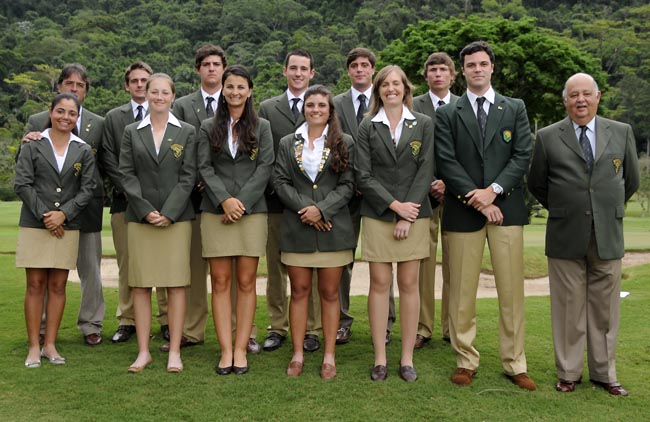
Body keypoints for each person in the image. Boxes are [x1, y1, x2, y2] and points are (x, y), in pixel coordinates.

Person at [528, 73, 639, 396]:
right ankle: (569, 373)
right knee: (567, 308)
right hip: (565, 232)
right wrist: (567, 207)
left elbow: (629, 180)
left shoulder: (621, 132)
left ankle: (605, 374)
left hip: (608, 233)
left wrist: (604, 207)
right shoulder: (548, 137)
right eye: (573, 95)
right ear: (565, 101)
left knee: (605, 309)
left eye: (586, 94)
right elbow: (537, 184)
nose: (580, 100)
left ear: (598, 97)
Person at [434, 41, 536, 390]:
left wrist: (493, 191)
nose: (477, 69)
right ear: (462, 70)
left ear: (492, 67)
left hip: (506, 209)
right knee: (462, 292)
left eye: (483, 63)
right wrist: (477, 199)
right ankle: (465, 359)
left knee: (511, 292)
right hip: (463, 212)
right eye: (471, 65)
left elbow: (522, 155)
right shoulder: (448, 113)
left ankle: (515, 362)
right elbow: (446, 161)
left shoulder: (515, 107)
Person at [355, 65, 434, 382]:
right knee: (379, 285)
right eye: (385, 84)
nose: (391, 89)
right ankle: (380, 359)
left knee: (410, 285)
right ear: (378, 90)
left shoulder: (424, 123)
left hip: (415, 214)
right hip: (377, 213)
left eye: (396, 84)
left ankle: (406, 359)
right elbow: (363, 174)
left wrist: (406, 212)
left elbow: (426, 169)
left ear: (406, 88)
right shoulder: (366, 126)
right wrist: (393, 206)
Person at [274, 85, 356, 379]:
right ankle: (297, 354)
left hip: (333, 228)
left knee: (330, 293)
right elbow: (281, 181)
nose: (316, 110)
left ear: (330, 110)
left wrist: (322, 210)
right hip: (298, 227)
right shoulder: (287, 142)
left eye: (322, 105)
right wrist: (308, 210)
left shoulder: (344, 141)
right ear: (303, 108)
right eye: (311, 105)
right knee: (298, 292)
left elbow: (348, 184)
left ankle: (329, 356)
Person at [197, 65, 273, 375]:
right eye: (230, 86)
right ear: (222, 90)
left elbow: (265, 167)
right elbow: (204, 167)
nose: (235, 92)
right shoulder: (207, 126)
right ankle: (225, 349)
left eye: (241, 87)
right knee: (220, 282)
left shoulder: (262, 126)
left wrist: (240, 203)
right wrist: (224, 200)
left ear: (250, 90)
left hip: (251, 212)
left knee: (245, 282)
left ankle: (241, 349)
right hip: (216, 211)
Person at [23, 64, 105, 346]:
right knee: (46, 272)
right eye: (69, 83)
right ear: (58, 87)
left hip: (87, 208)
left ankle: (91, 324)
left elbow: (103, 169)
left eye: (80, 85)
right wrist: (48, 213)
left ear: (85, 92)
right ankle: (43, 328)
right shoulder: (37, 122)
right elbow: (26, 174)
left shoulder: (99, 123)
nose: (74, 88)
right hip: (45, 212)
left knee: (90, 270)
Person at [119, 73, 196, 373]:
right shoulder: (131, 131)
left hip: (176, 220)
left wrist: (169, 211)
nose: (159, 96)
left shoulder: (187, 131)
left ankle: (174, 351)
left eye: (165, 92)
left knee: (176, 286)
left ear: (173, 96)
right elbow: (126, 173)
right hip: (141, 219)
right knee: (140, 286)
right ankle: (143, 352)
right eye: (154, 91)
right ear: (146, 94)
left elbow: (189, 175)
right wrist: (145, 209)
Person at [15, 93, 96, 367]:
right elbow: (22, 183)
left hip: (67, 225)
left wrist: (64, 214)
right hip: (35, 224)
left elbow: (88, 189)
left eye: (72, 113)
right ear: (50, 112)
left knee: (58, 286)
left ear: (77, 117)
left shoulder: (83, 149)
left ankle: (50, 345)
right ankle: (34, 347)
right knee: (35, 284)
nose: (65, 117)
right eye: (60, 111)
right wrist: (45, 215)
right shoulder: (33, 143)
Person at [259, 48, 322, 353]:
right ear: (284, 71)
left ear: (312, 73)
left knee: (308, 265)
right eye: (293, 68)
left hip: (314, 206)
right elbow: (264, 157)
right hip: (277, 201)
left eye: (304, 69)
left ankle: (311, 328)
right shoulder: (268, 108)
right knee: (276, 267)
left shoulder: (323, 106)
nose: (298, 73)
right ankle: (277, 325)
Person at [333, 47, 396, 346]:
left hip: (378, 195)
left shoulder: (386, 101)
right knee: (342, 260)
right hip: (344, 195)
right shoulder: (334, 104)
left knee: (384, 261)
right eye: (354, 66)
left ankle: (385, 323)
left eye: (365, 65)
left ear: (373, 69)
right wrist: (352, 180)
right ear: (348, 71)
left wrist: (370, 184)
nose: (359, 70)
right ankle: (341, 321)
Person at [102, 61, 169, 344]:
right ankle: (127, 320)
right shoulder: (115, 118)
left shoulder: (168, 115)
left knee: (166, 264)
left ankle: (166, 319)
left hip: (164, 206)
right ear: (127, 85)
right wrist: (136, 197)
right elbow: (110, 160)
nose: (141, 85)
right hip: (125, 204)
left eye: (145, 81)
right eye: (135, 81)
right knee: (128, 264)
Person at [167, 44, 227, 352]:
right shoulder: (183, 105)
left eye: (217, 64)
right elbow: (178, 147)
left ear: (224, 68)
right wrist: (200, 181)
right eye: (206, 64)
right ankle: (192, 330)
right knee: (192, 267)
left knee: (229, 271)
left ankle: (243, 332)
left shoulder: (235, 100)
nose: (212, 68)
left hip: (228, 198)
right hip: (193, 197)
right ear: (198, 69)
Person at [412, 52, 459, 348]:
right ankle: (422, 327)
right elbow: (410, 151)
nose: (438, 74)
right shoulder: (412, 105)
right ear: (426, 75)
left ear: (453, 75)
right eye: (433, 70)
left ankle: (452, 326)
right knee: (423, 266)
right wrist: (429, 183)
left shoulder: (464, 105)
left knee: (456, 264)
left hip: (457, 195)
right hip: (423, 194)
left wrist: (450, 183)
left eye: (443, 70)